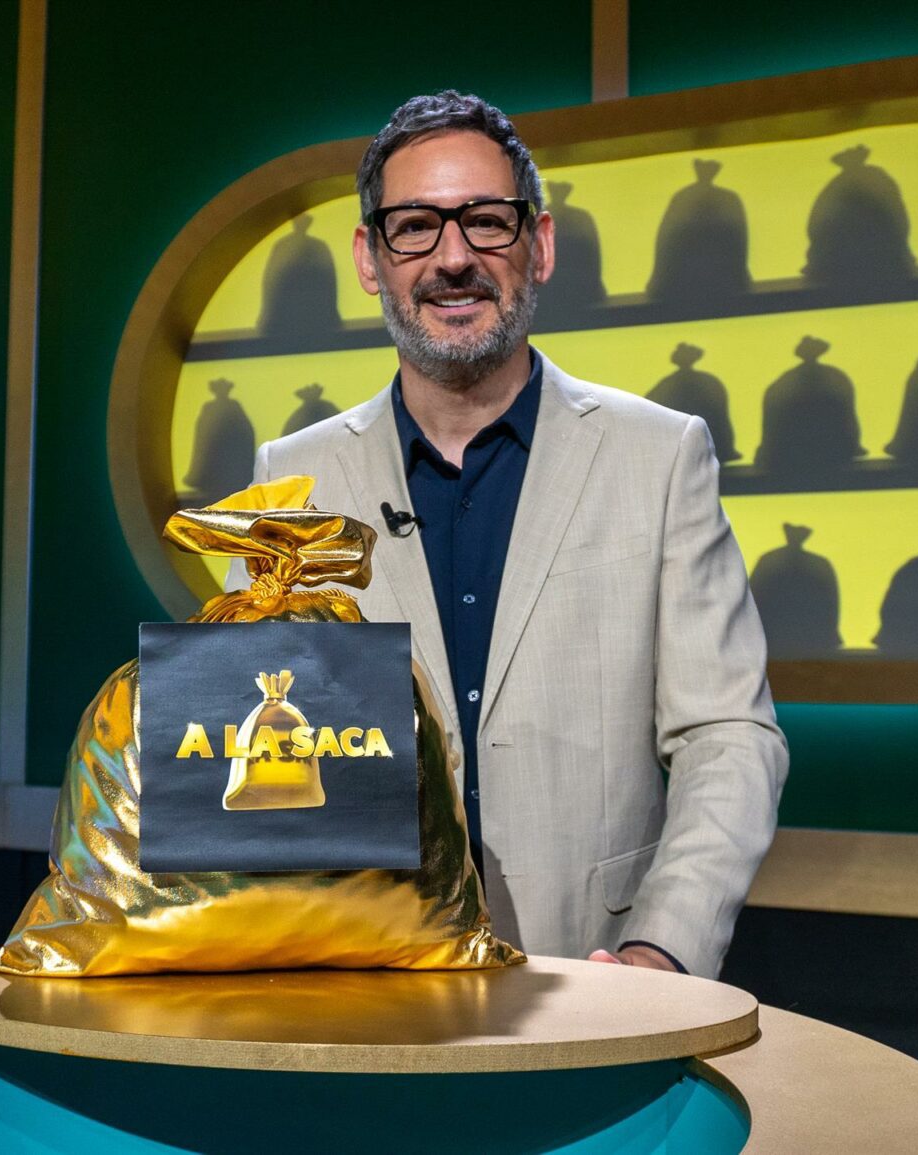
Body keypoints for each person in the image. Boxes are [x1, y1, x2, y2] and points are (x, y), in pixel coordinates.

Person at [227, 91, 788, 979]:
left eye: (486, 221)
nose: (453, 258)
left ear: (541, 245)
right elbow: (247, 749)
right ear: (370, 258)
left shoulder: (661, 455)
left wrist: (660, 949)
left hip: (596, 984)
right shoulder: (290, 479)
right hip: (359, 990)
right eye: (416, 227)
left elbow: (728, 734)